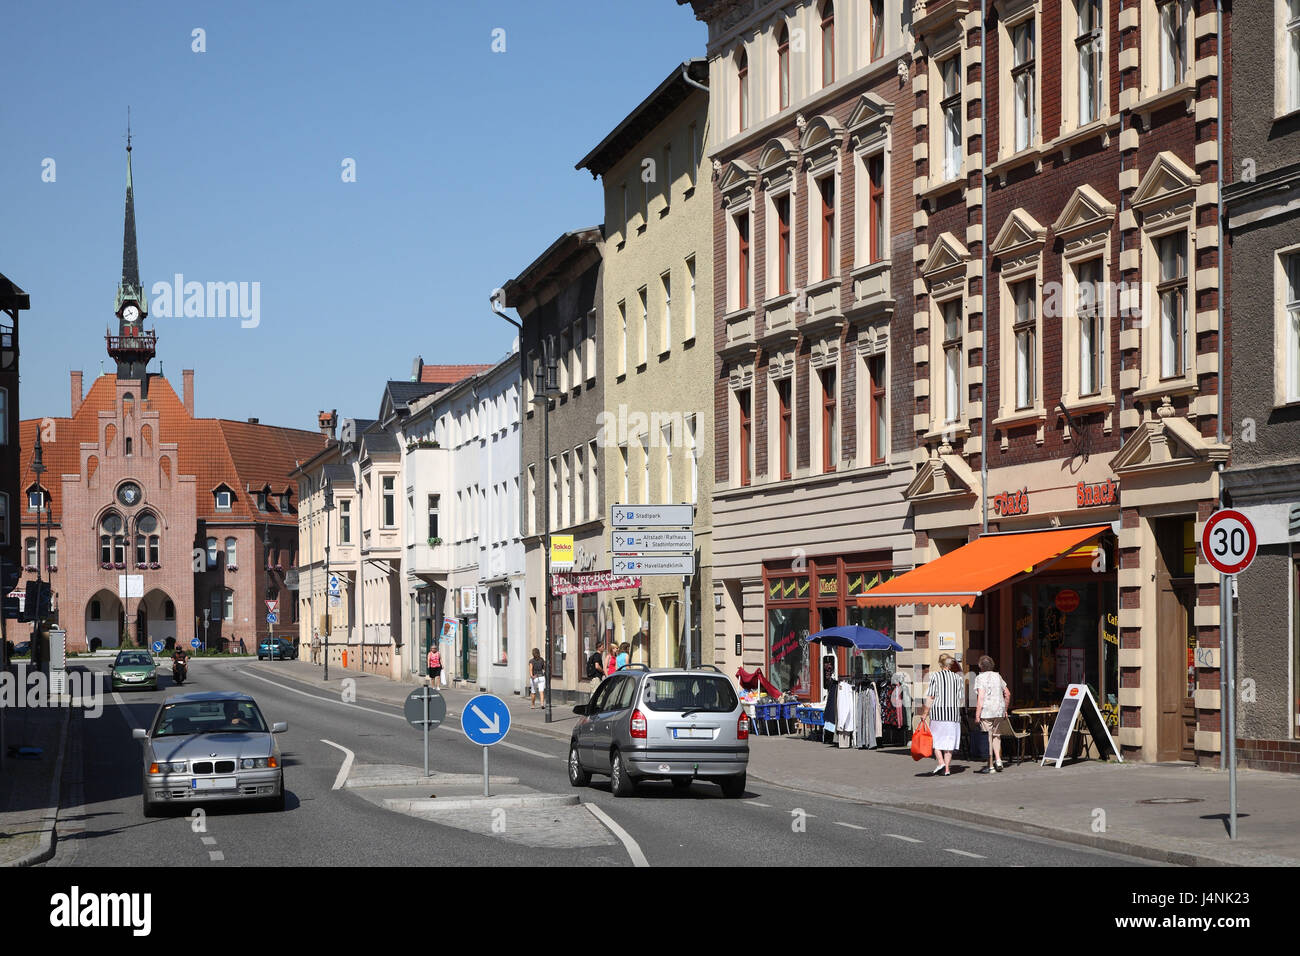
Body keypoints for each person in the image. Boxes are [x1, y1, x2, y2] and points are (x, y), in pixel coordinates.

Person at [922, 652, 965, 776]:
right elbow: (961, 699)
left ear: (940, 664)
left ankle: (940, 762)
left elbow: (931, 696)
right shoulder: (958, 678)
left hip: (938, 714)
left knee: (936, 741)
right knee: (949, 743)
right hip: (953, 715)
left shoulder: (935, 677)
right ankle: (946, 768)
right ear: (951, 664)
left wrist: (925, 712)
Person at [973, 655, 1011, 774]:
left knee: (987, 738)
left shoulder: (980, 678)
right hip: (999, 710)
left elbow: (981, 697)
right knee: (996, 736)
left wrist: (977, 714)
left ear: (980, 666)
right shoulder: (997, 676)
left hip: (986, 712)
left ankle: (990, 766)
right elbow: (1007, 694)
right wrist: (1005, 709)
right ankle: (999, 760)